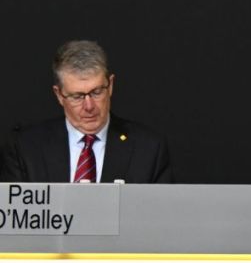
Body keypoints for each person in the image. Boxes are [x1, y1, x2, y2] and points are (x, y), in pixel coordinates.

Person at [0, 40, 172, 183]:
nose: (89, 106)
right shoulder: (26, 148)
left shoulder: (148, 149)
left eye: (96, 92)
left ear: (110, 85)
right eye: (77, 96)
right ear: (59, 95)